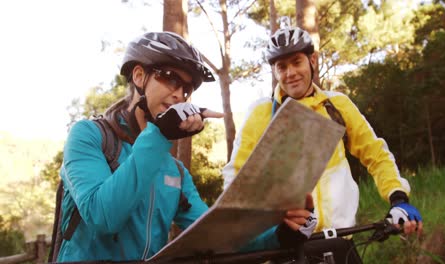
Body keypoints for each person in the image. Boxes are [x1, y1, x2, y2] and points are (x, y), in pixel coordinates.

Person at [57, 31, 315, 262]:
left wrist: (280, 236)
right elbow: (103, 217)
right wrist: (159, 134)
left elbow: (215, 238)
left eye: (187, 88)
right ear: (139, 76)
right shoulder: (89, 136)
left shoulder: (175, 172)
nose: (180, 94)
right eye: (170, 79)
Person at [222, 23, 423, 263]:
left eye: (296, 62)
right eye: (281, 66)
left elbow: (375, 153)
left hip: (342, 241)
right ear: (274, 71)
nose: (290, 73)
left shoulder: (336, 104)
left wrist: (398, 198)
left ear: (313, 60)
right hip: (287, 249)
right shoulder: (261, 113)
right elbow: (236, 177)